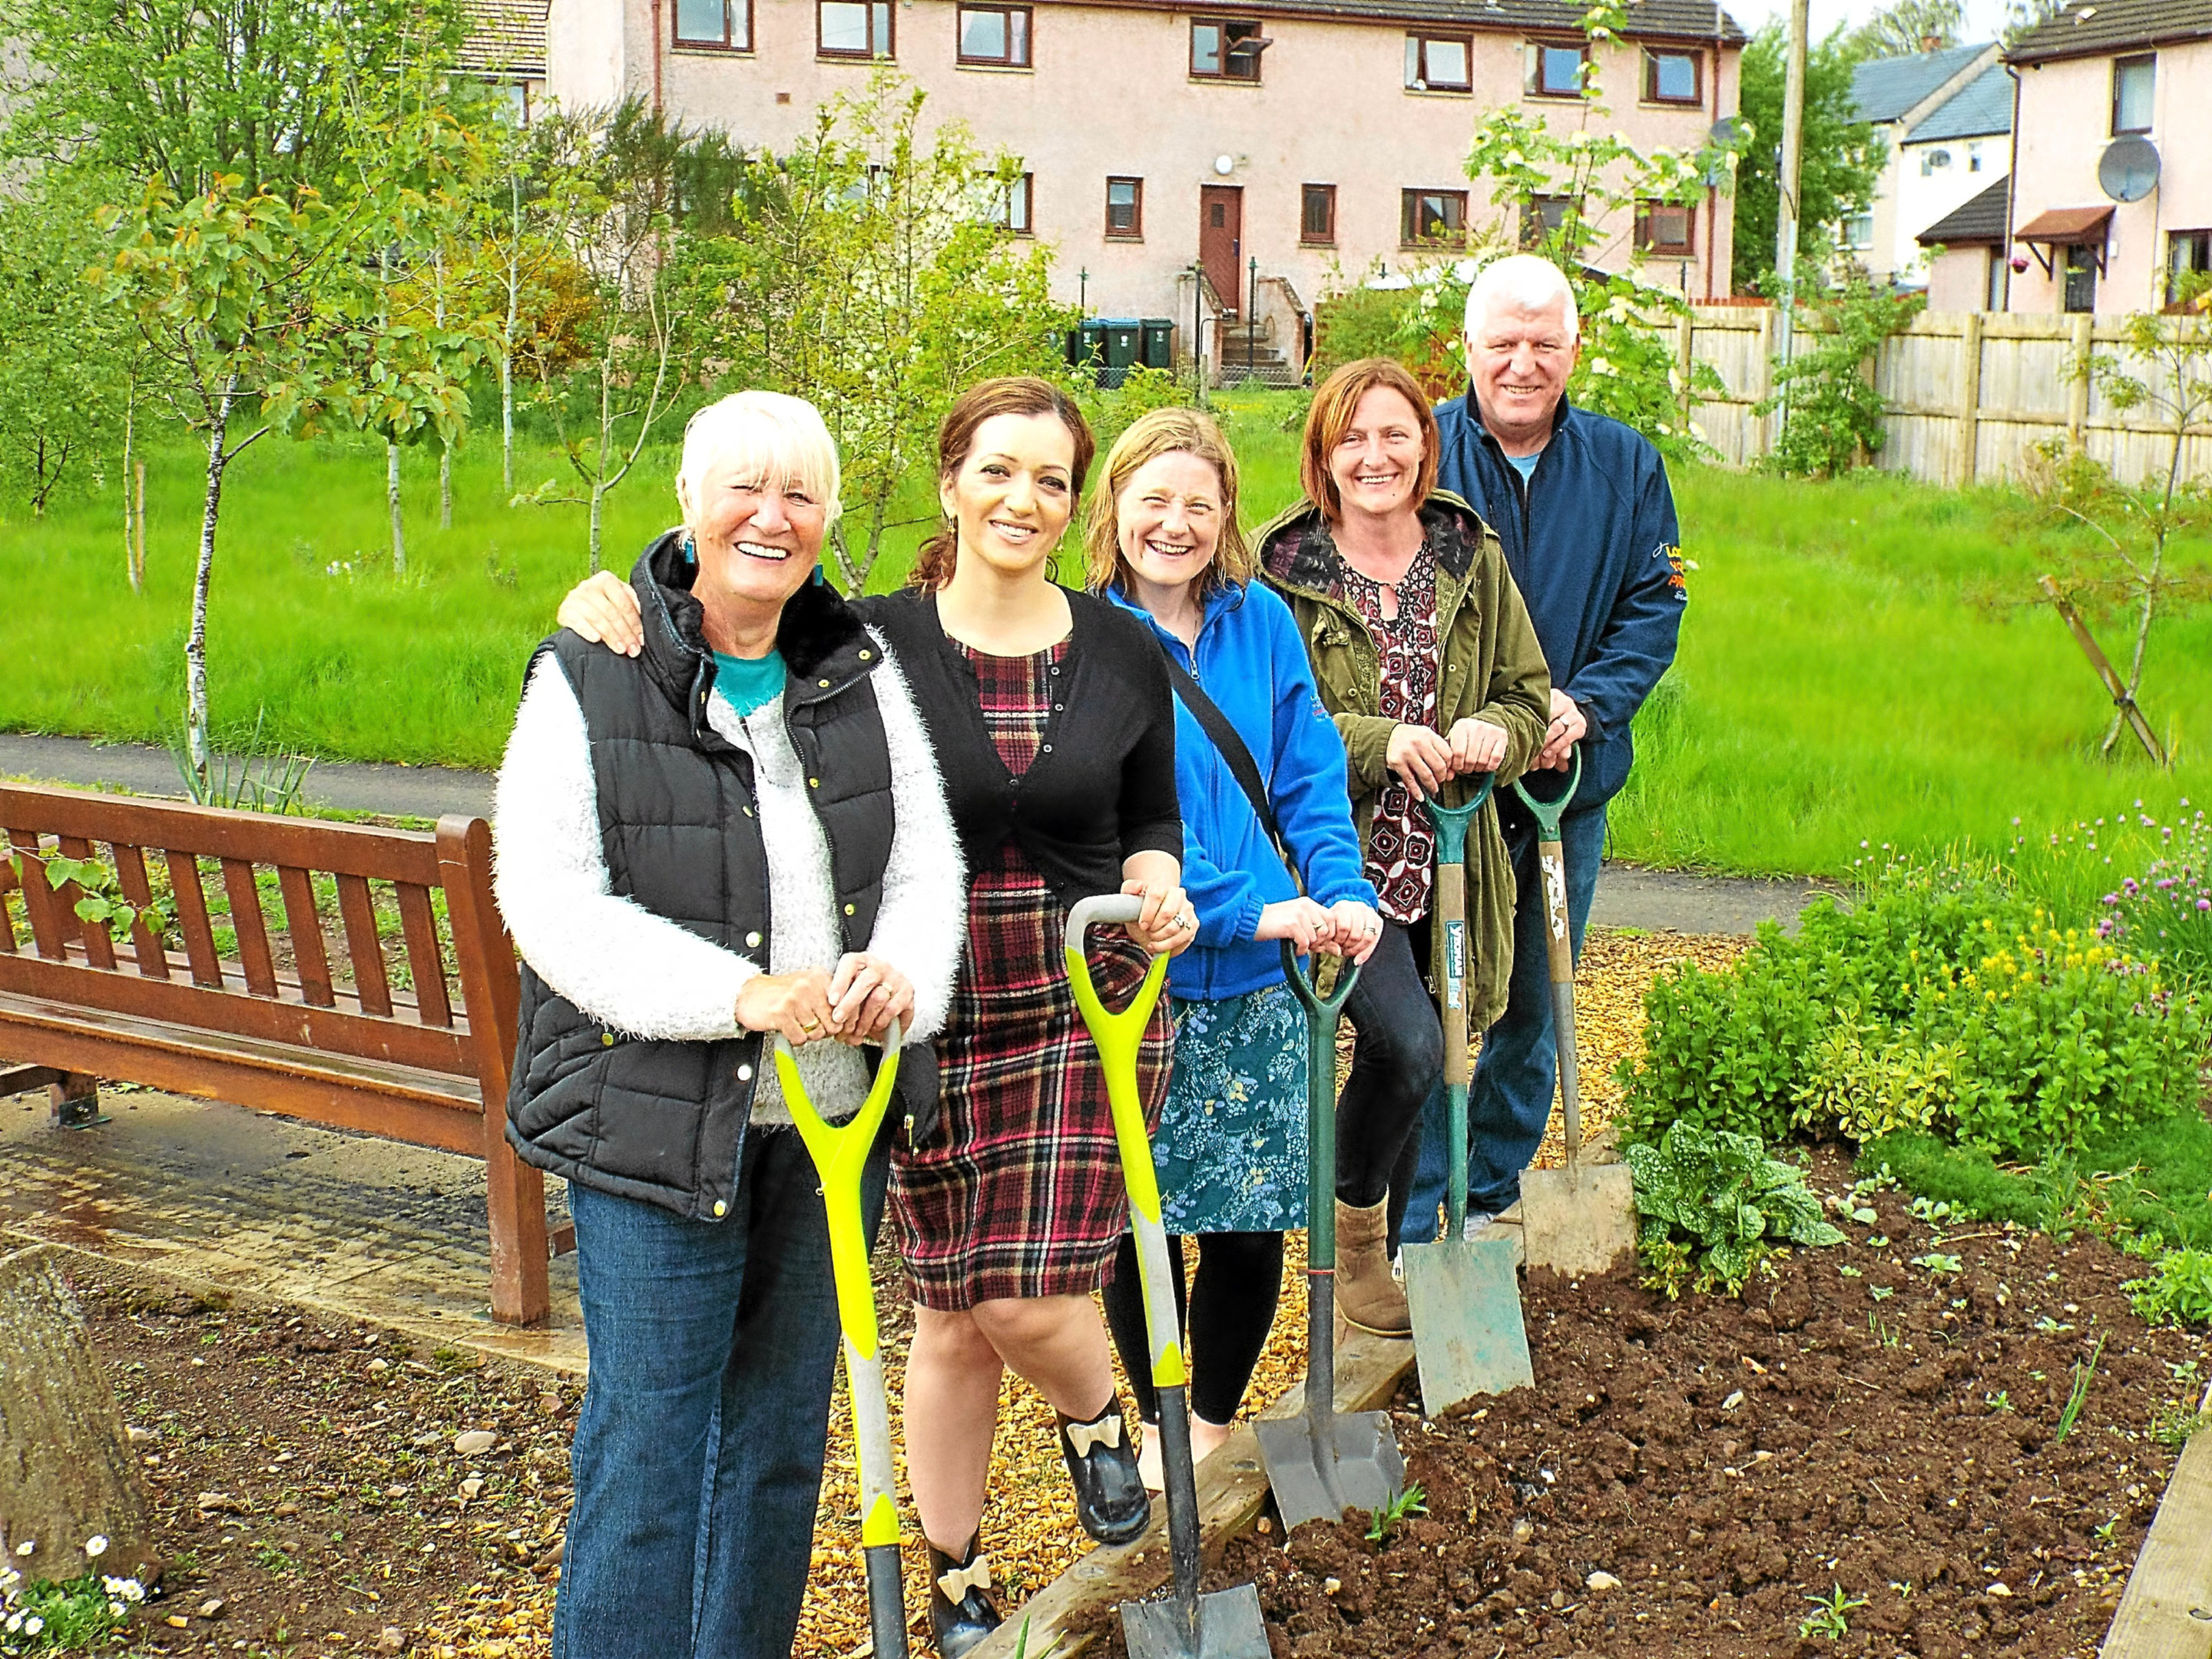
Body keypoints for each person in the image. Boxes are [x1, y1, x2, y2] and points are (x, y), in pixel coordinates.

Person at [555, 376, 1193, 1658]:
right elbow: (714, 624)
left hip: (1084, 1004)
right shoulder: (868, 639)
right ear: (951, 481)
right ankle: (956, 1573)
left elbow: (1152, 818)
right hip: (920, 1012)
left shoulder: (1121, 648)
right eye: (998, 471)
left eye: (1052, 480)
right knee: (951, 1309)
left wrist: (1156, 884)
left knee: (1022, 1301)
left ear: (1077, 504)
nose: (1025, 500)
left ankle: (1095, 1414)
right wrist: (603, 602)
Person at [495, 389, 965, 1659]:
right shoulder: (594, 666)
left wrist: (902, 975)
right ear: (691, 507)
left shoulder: (860, 673)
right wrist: (736, 996)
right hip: (659, 1130)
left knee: (775, 1448)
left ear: (828, 519)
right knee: (650, 1449)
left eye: (801, 493)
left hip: (828, 1123)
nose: (772, 515)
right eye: (744, 489)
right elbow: (548, 903)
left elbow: (924, 868)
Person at [1083, 408, 1383, 1491]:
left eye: (1198, 504)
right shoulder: (1080, 637)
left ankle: (1209, 1426)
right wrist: (1249, 910)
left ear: (1226, 517)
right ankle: (1161, 1417)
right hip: (1138, 979)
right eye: (1153, 500)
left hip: (1264, 984)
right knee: (1143, 1222)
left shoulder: (1261, 623)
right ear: (1114, 507)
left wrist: (1339, 890)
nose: (1175, 523)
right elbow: (1110, 825)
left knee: (1254, 1223)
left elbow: (1305, 774)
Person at [1251, 357, 1551, 1337]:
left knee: (1439, 1053)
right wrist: (1384, 741)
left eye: (1395, 434)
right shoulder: (1278, 573)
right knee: (1412, 1045)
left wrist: (1498, 734)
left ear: (1427, 442)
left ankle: (1392, 1253)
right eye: (1353, 439)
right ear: (1323, 456)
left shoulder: (1470, 552)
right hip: (1338, 866)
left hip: (1455, 862)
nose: (1374, 456)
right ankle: (1353, 1246)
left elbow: (1525, 686)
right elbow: (1264, 728)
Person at [1405, 253, 1687, 1236]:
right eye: (1503, 343)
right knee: (1436, 1000)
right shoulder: (1420, 453)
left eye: (1543, 343)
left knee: (1535, 995)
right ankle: (1414, 1209)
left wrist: (1585, 706)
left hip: (1568, 780)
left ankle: (1492, 1192)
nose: (1523, 363)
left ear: (1574, 350)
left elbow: (1655, 608)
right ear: (1469, 349)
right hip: (1444, 793)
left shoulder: (1626, 465)